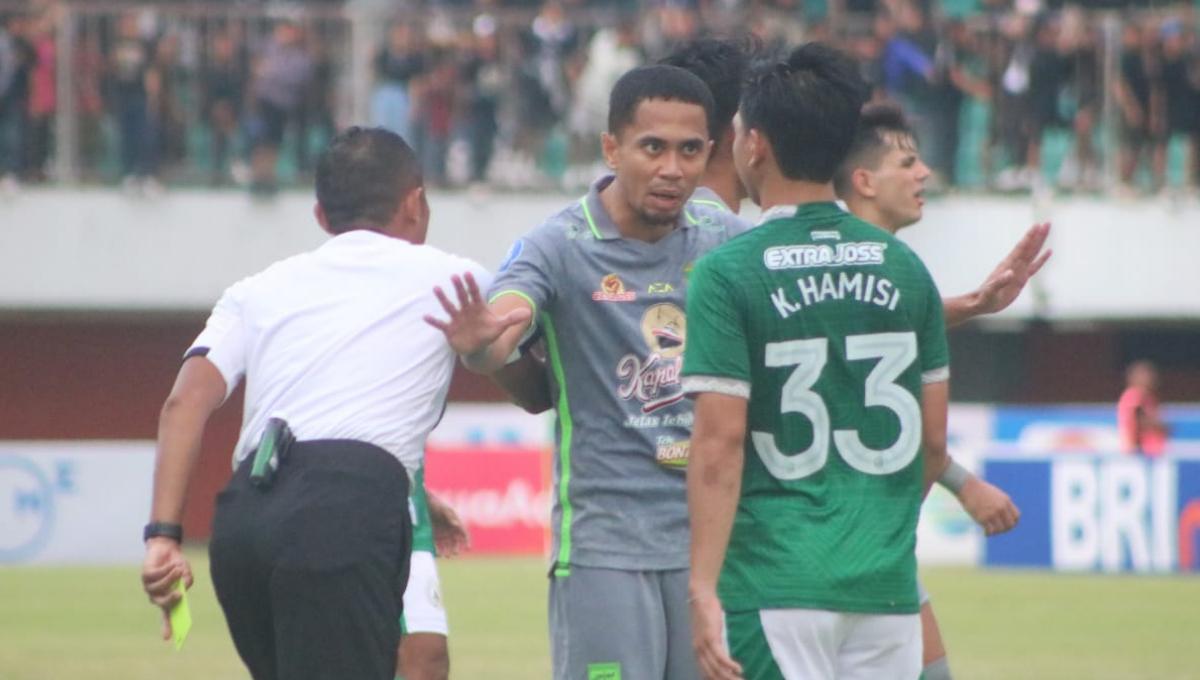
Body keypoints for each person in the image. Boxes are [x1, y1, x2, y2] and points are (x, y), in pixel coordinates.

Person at [138, 127, 511, 680]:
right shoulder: (456, 279)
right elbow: (518, 364)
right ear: (416, 202)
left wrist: (163, 537)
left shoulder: (257, 288)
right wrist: (484, 349)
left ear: (320, 216)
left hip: (243, 522)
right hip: (347, 512)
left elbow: (184, 403)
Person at [424, 64, 746, 679]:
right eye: (652, 147)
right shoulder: (559, 245)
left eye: (689, 151)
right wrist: (481, 346)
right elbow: (504, 325)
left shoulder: (725, 239)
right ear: (611, 148)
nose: (671, 169)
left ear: (709, 154)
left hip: (714, 548)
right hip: (605, 545)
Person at [684, 43, 948, 679]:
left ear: (756, 145)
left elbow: (719, 443)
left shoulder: (727, 271)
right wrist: (869, 530)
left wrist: (700, 586)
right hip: (884, 590)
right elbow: (932, 443)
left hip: (774, 582)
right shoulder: (906, 267)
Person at [834, 102, 1045, 679]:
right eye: (908, 161)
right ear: (864, 181)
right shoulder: (884, 270)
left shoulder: (867, 270)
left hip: (861, 544)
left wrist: (977, 303)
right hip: (849, 543)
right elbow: (914, 437)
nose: (924, 172)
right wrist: (962, 482)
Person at [1118, 360, 1169, 457]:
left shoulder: (1147, 396)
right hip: (1140, 452)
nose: (1151, 378)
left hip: (1151, 452)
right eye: (1145, 375)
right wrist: (1161, 424)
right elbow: (1137, 420)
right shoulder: (1134, 395)